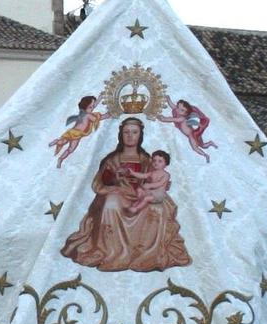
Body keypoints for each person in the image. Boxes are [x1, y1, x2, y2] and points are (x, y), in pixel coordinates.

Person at [58, 117, 191, 273]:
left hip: (141, 194)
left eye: (134, 132)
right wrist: (114, 179)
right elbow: (99, 183)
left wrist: (159, 184)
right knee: (111, 205)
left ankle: (146, 253)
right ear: (121, 135)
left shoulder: (147, 159)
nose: (130, 136)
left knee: (158, 210)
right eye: (126, 132)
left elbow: (155, 177)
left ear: (140, 135)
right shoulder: (112, 159)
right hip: (118, 193)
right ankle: (110, 252)